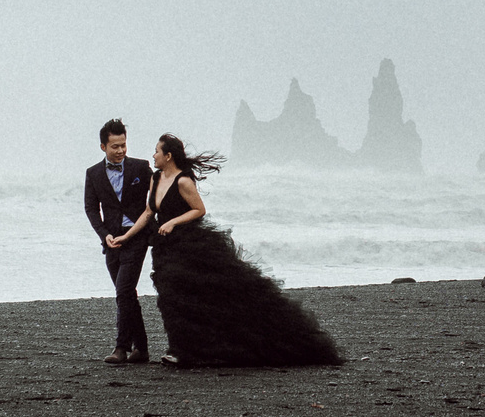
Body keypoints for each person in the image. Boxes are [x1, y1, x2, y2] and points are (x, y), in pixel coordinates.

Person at [112, 133, 341, 368]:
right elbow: (148, 213)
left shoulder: (183, 181)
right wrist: (126, 236)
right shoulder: (156, 178)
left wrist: (173, 222)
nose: (153, 155)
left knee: (188, 298)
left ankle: (180, 351)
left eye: (157, 151)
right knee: (169, 298)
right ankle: (180, 348)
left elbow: (199, 210)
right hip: (163, 248)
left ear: (168, 156)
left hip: (188, 246)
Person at [83, 118, 154, 364]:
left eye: (123, 145)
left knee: (123, 291)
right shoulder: (93, 173)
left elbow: (160, 192)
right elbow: (91, 209)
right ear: (103, 147)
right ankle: (141, 349)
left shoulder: (140, 167)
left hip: (136, 237)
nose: (121, 150)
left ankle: (121, 348)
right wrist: (104, 234)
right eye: (115, 146)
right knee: (127, 294)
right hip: (112, 240)